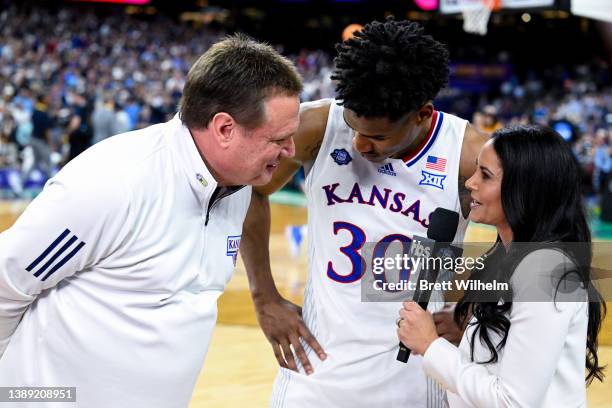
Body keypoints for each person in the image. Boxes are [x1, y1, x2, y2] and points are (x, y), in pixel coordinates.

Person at [0, 34, 301, 408]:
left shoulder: (237, 187)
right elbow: (5, 284)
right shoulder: (112, 184)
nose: (290, 151)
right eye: (279, 139)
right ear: (225, 129)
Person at [240, 18, 488, 407]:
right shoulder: (317, 127)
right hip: (315, 374)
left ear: (422, 114)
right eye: (354, 127)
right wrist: (264, 296)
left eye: (377, 137)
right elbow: (247, 191)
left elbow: (540, 239)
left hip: (415, 376)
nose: (359, 144)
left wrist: (472, 311)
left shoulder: (467, 153)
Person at [397, 126, 606, 407]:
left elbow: (512, 401)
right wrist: (470, 335)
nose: (470, 183)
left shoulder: (545, 272)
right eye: (475, 171)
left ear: (525, 190)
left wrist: (430, 345)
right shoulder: (514, 260)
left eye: (485, 175)